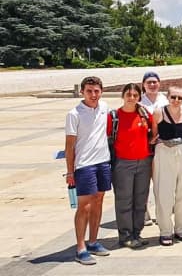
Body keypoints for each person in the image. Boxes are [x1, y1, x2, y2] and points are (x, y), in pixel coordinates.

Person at [65, 76, 112, 265]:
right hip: (84, 165)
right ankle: (80, 247)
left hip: (103, 162)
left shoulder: (104, 107)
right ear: (82, 92)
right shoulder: (74, 114)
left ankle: (93, 241)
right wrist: (70, 172)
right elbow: (69, 146)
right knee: (84, 206)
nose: (93, 95)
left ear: (101, 91)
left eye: (96, 91)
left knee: (99, 201)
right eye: (89, 91)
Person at [150, 86, 182, 246]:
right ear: (168, 97)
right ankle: (165, 231)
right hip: (164, 152)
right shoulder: (159, 112)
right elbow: (154, 135)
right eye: (173, 97)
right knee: (164, 194)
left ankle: (181, 229)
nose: (176, 100)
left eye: (180, 98)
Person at [111, 83, 154, 249]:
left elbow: (154, 132)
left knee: (140, 200)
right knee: (124, 200)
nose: (132, 98)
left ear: (139, 97)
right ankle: (125, 235)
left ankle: (137, 232)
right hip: (123, 163)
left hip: (144, 162)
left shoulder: (144, 114)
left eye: (135, 95)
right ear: (123, 96)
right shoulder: (114, 116)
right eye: (128, 95)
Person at [139, 71, 165, 227]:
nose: (152, 85)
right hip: (145, 146)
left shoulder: (165, 99)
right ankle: (143, 212)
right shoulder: (139, 102)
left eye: (155, 82)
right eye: (149, 82)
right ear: (143, 85)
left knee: (161, 182)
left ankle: (161, 212)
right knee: (144, 181)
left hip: (163, 145)